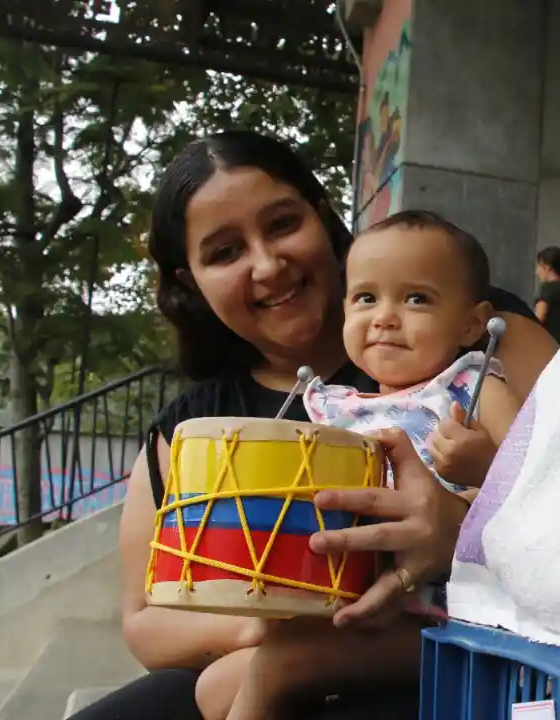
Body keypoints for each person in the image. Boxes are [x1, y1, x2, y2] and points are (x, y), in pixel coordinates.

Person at [67, 130, 557, 720]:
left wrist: (459, 532)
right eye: (225, 253)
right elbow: (146, 619)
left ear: (323, 219)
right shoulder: (191, 426)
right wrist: (282, 624)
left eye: (281, 225)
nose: (269, 265)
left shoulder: (468, 343)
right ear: (187, 281)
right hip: (277, 650)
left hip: (460, 637)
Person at [195, 210, 522, 720]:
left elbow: (539, 489)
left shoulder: (473, 388)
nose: (385, 316)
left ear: (473, 323)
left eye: (417, 298)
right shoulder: (339, 407)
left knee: (284, 663)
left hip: (446, 618)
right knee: (212, 688)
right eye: (366, 297)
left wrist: (485, 468)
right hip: (349, 605)